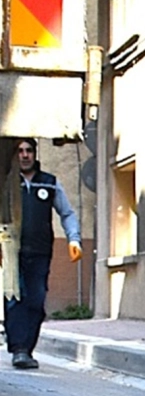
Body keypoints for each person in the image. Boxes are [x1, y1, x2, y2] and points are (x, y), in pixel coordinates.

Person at [5, 138, 82, 370]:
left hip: (40, 252)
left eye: (29, 150)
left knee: (36, 301)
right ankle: (19, 349)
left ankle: (27, 348)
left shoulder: (49, 183)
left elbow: (67, 213)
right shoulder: (7, 183)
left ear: (35, 153)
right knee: (14, 300)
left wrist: (74, 239)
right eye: (20, 151)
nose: (24, 155)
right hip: (12, 251)